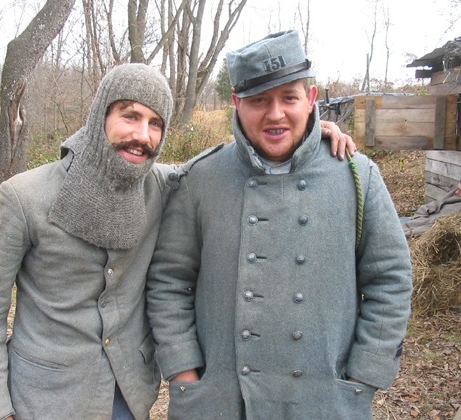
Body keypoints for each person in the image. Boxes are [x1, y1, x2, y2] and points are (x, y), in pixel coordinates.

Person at [0, 62, 355, 419]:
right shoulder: (21, 198)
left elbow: (219, 165)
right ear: (101, 114)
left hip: (130, 395)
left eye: (155, 124)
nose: (142, 136)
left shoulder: (161, 184)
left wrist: (306, 134)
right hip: (43, 398)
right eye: (130, 116)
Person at [146, 30, 413, 419]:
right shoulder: (201, 178)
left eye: (289, 97)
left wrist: (364, 372)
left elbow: (390, 278)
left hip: (325, 398)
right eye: (258, 101)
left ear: (311, 98)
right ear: (236, 103)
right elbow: (169, 281)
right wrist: (185, 371)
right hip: (219, 399)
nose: (275, 114)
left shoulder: (358, 175)